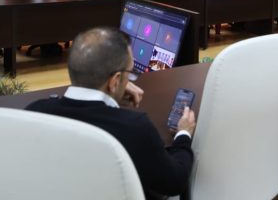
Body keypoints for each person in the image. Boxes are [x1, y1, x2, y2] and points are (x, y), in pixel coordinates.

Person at [26, 27, 194, 198]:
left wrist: (112, 94)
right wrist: (183, 134)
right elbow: (175, 182)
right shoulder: (134, 128)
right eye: (129, 73)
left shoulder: (35, 112)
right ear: (114, 80)